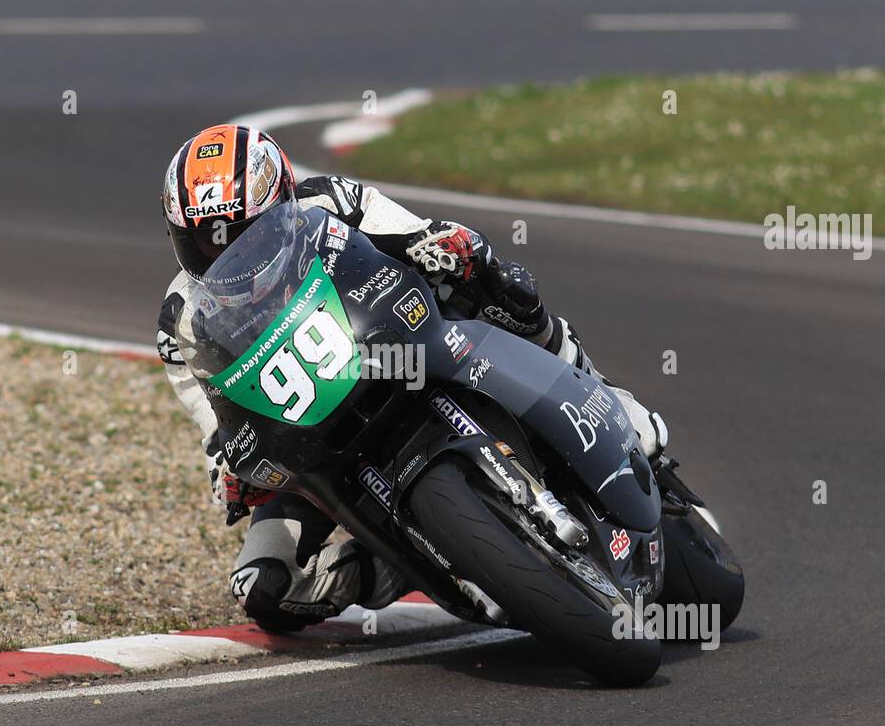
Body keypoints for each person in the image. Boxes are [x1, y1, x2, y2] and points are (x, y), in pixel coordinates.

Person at [156, 124, 667, 632]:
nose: (229, 250)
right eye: (206, 239)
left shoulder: (328, 200)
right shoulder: (181, 320)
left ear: (282, 203)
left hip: (398, 341)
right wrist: (227, 474)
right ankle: (420, 561)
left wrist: (441, 244)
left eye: (247, 231)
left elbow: (413, 231)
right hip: (309, 435)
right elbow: (214, 425)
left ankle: (606, 396)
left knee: (502, 286)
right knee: (264, 588)